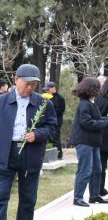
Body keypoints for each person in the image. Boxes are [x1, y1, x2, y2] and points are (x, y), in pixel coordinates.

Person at [0, 64, 57, 220]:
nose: (30, 87)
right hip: (5, 154)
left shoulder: (44, 103)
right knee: (0, 197)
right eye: (27, 83)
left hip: (30, 155)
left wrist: (37, 134)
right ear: (16, 80)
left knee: (28, 198)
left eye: (34, 84)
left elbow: (52, 128)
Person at [70, 77, 108, 207]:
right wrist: (105, 123)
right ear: (90, 89)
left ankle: (94, 195)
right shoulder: (84, 104)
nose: (99, 90)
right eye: (97, 88)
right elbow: (86, 122)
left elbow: (97, 118)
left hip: (93, 142)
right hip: (84, 141)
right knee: (85, 170)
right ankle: (78, 197)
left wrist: (104, 120)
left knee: (97, 169)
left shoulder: (91, 103)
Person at [43, 81, 66, 160]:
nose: (47, 90)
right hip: (47, 121)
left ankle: (59, 155)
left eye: (48, 89)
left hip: (56, 122)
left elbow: (61, 111)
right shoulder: (46, 97)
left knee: (55, 138)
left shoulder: (60, 98)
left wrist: (51, 112)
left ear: (53, 88)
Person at [99, 76, 108, 196]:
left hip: (100, 137)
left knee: (101, 165)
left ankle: (100, 188)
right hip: (104, 136)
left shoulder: (98, 99)